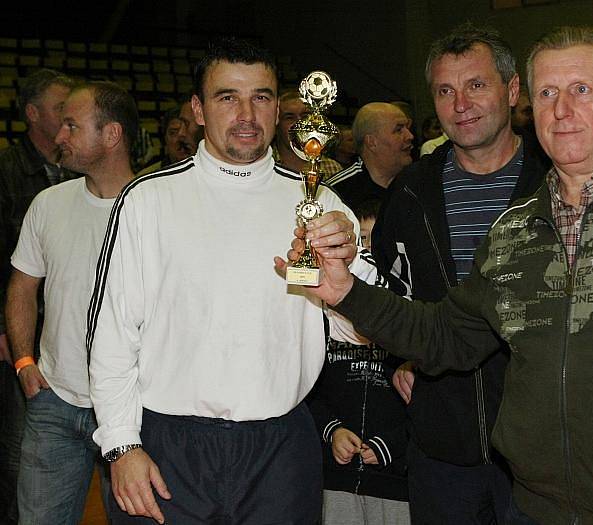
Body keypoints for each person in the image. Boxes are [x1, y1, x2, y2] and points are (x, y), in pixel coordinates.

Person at [283, 26, 593, 524]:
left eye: (581, 90)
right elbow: (445, 336)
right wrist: (345, 291)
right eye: (548, 93)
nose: (561, 110)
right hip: (534, 506)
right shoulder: (516, 229)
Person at [87, 38, 368, 524]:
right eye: (227, 97)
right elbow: (112, 333)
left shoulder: (321, 205)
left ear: (278, 108)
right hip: (168, 446)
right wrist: (120, 446)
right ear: (198, 108)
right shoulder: (147, 200)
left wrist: (347, 271)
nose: (246, 113)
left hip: (281, 448)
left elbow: (360, 333)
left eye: (260, 96)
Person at [369, 22, 548, 524]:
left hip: (541, 452)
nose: (460, 104)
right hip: (441, 446)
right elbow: (391, 289)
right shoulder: (409, 193)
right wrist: (398, 359)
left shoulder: (556, 184)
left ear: (512, 91)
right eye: (445, 91)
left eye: (476, 85)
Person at [7, 80, 136, 524]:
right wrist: (24, 360)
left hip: (134, 409)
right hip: (53, 402)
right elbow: (22, 285)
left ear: (111, 135)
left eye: (71, 125)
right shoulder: (48, 204)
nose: (60, 136)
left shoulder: (154, 208)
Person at [0, 68, 74, 525]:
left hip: (64, 334)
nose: (68, 116)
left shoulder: (74, 169)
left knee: (55, 448)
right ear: (32, 114)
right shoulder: (7, 171)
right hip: (20, 329)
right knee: (16, 448)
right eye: (59, 107)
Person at [308, 198, 409, 524]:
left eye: (372, 242)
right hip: (333, 477)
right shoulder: (320, 316)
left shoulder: (405, 319)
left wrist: (390, 445)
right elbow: (308, 388)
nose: (364, 254)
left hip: (393, 481)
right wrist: (332, 430)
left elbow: (421, 398)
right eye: (359, 240)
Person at [327, 102, 413, 213]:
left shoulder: (416, 181)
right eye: (398, 130)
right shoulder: (337, 192)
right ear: (372, 142)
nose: (410, 136)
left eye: (408, 128)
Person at [273, 89, 342, 176]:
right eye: (289, 117)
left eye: (305, 116)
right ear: (276, 125)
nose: (299, 123)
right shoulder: (263, 166)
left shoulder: (332, 168)